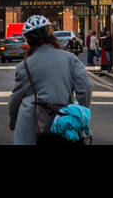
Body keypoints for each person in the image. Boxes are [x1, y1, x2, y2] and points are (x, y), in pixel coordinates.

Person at [8, 15, 92, 146]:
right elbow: (85, 87)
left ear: (28, 41)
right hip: (63, 119)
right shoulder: (70, 58)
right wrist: (81, 113)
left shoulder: (24, 66)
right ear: (51, 34)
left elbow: (15, 100)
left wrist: (13, 122)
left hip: (31, 124)